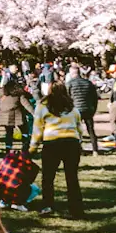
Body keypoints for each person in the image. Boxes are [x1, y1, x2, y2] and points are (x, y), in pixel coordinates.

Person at [29, 83, 84, 219]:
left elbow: (37, 129)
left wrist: (33, 148)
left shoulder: (43, 107)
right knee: (72, 177)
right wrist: (79, 141)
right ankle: (76, 209)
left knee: (48, 177)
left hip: (52, 143)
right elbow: (79, 128)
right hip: (71, 143)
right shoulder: (72, 108)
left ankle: (47, 205)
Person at [64, 66, 99, 156]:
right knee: (91, 130)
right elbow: (95, 98)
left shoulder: (69, 84)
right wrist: (93, 109)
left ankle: (79, 150)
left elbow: (66, 98)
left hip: (76, 110)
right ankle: (95, 150)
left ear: (72, 74)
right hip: (88, 109)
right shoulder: (88, 83)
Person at [0, 74, 34, 154]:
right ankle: (25, 148)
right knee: (25, 131)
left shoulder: (1, 92)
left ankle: (8, 149)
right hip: (18, 115)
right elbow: (26, 104)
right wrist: (34, 113)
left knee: (9, 133)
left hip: (4, 116)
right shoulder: (19, 94)